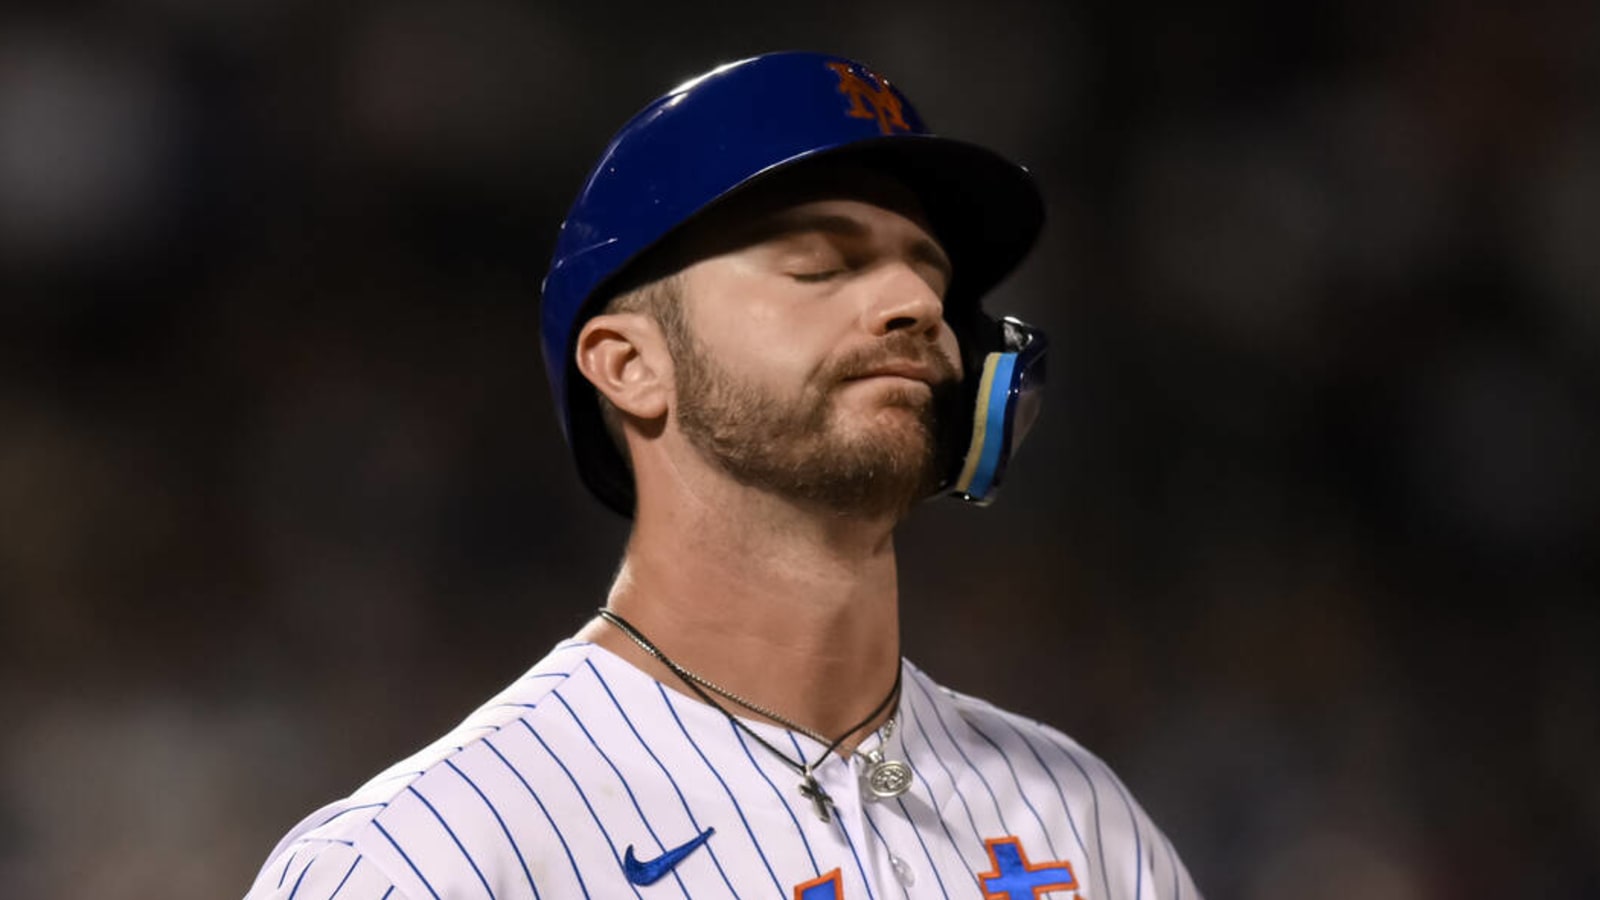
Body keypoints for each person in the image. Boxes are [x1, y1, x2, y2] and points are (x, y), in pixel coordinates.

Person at [245, 51, 1200, 900]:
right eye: (822, 265)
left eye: (933, 274)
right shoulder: (424, 862)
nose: (917, 302)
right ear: (630, 365)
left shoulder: (1084, 826)